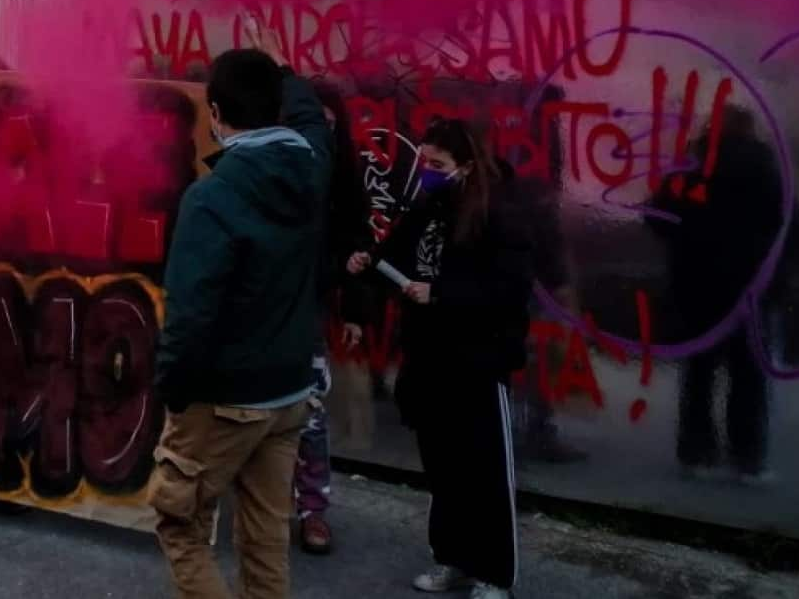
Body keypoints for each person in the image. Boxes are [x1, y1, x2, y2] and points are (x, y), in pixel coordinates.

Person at [149, 42, 330, 599]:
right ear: (276, 109)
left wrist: (172, 389)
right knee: (266, 536)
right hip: (289, 391)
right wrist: (284, 72)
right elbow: (306, 118)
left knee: (181, 524)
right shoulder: (313, 167)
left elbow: (190, 312)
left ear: (216, 115)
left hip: (226, 399)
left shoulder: (213, 196)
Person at [346, 118, 532, 599]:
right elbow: (398, 256)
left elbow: (509, 288)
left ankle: (494, 573)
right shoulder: (431, 201)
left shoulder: (500, 211)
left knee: (483, 468)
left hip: (477, 357)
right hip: (429, 355)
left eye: (437, 163)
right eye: (424, 160)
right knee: (443, 466)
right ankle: (453, 560)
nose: (426, 170)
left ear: (466, 165)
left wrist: (441, 294)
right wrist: (369, 265)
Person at [647, 102, 786, 484]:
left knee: (699, 371)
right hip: (751, 283)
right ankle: (747, 459)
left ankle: (696, 453)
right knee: (748, 375)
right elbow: (789, 222)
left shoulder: (690, 165)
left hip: (697, 282)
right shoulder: (765, 166)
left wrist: (687, 241)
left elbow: (656, 215)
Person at [294, 82, 370, 556]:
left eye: (328, 120)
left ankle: (313, 510)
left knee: (310, 414)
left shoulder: (343, 173)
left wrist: (355, 309)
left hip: (310, 306)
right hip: (270, 304)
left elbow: (358, 242)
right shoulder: (279, 167)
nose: (322, 129)